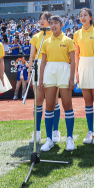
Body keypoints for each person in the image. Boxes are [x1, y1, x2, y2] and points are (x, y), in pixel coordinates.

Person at [38, 15, 76, 152]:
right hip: (50, 71)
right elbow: (43, 62)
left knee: (67, 105)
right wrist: (40, 79)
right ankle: (49, 140)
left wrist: (72, 78)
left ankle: (70, 139)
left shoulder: (68, 40)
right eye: (51, 23)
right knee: (49, 106)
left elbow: (73, 61)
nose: (53, 25)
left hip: (64, 70)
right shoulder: (46, 42)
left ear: (62, 25)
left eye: (56, 23)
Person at [73, 8, 94, 145]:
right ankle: (90, 131)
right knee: (87, 101)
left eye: (85, 15)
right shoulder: (76, 34)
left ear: (91, 17)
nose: (83, 17)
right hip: (82, 65)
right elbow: (76, 54)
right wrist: (76, 71)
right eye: (81, 15)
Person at [28, 11, 61, 145]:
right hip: (38, 66)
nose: (42, 21)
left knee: (53, 101)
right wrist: (30, 71)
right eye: (40, 18)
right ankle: (37, 132)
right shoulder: (36, 37)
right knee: (38, 100)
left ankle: (55, 131)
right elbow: (31, 56)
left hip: (52, 66)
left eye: (45, 18)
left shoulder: (54, 35)